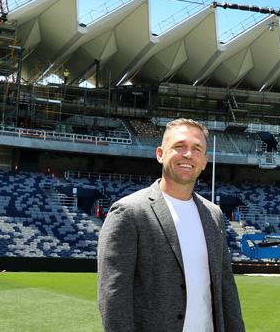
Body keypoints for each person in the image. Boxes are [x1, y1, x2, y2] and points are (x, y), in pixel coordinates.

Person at [97, 118, 245, 332]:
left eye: (197, 149)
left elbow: (226, 289)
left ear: (204, 161)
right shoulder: (129, 212)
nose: (188, 154)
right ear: (160, 154)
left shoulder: (213, 214)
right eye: (179, 146)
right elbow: (113, 297)